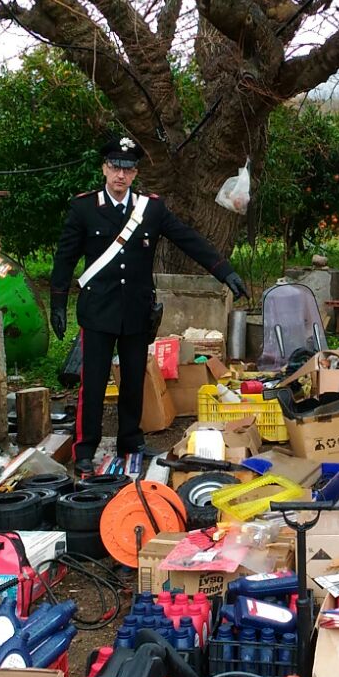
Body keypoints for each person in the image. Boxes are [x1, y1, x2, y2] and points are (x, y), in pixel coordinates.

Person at [50, 134, 249, 473]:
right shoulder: (84, 207)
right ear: (104, 168)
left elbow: (187, 239)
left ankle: (130, 437)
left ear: (135, 173)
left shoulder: (150, 209)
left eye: (127, 169)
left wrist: (224, 271)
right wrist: (56, 301)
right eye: (114, 167)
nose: (120, 176)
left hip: (136, 310)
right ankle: (86, 448)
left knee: (133, 379)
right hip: (98, 310)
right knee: (94, 383)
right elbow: (65, 257)